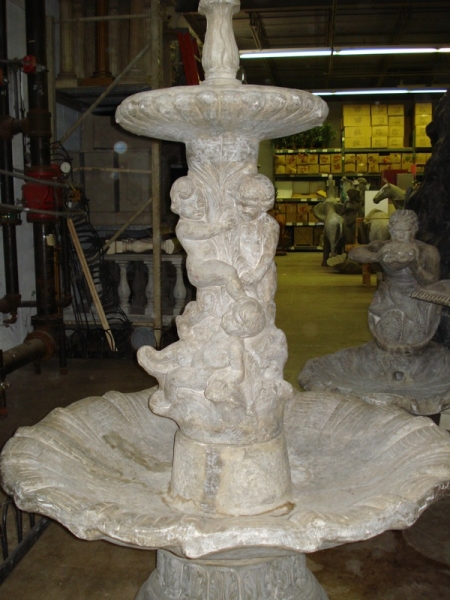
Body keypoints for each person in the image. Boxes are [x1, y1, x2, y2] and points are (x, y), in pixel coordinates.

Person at [349, 209, 441, 352]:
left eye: (405, 231)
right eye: (396, 231)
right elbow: (354, 253)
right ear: (390, 230)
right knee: (389, 329)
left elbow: (433, 283)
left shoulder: (427, 251)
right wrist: (377, 257)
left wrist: (415, 266)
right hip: (390, 293)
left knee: (412, 334)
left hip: (417, 296)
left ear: (414, 230)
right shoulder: (383, 246)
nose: (400, 236)